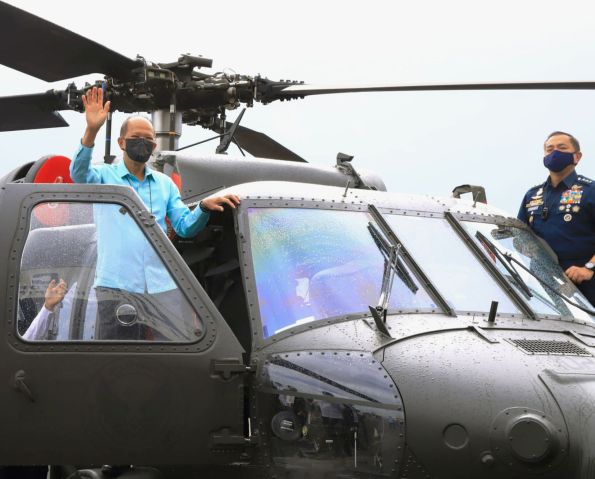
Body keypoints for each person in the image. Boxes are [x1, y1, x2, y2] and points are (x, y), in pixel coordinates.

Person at [69, 86, 241, 340]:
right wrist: (92, 130)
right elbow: (78, 174)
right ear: (121, 143)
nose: (144, 143)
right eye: (137, 137)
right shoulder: (104, 176)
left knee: (175, 352)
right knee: (118, 358)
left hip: (163, 286)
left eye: (149, 139)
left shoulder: (164, 184)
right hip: (117, 287)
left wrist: (203, 207)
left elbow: (184, 226)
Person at [518, 131, 595, 305]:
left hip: (585, 285)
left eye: (561, 148)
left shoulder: (591, 191)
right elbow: (519, 237)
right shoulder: (532, 195)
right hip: (543, 287)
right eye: (549, 149)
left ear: (577, 156)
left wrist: (589, 268)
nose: (554, 153)